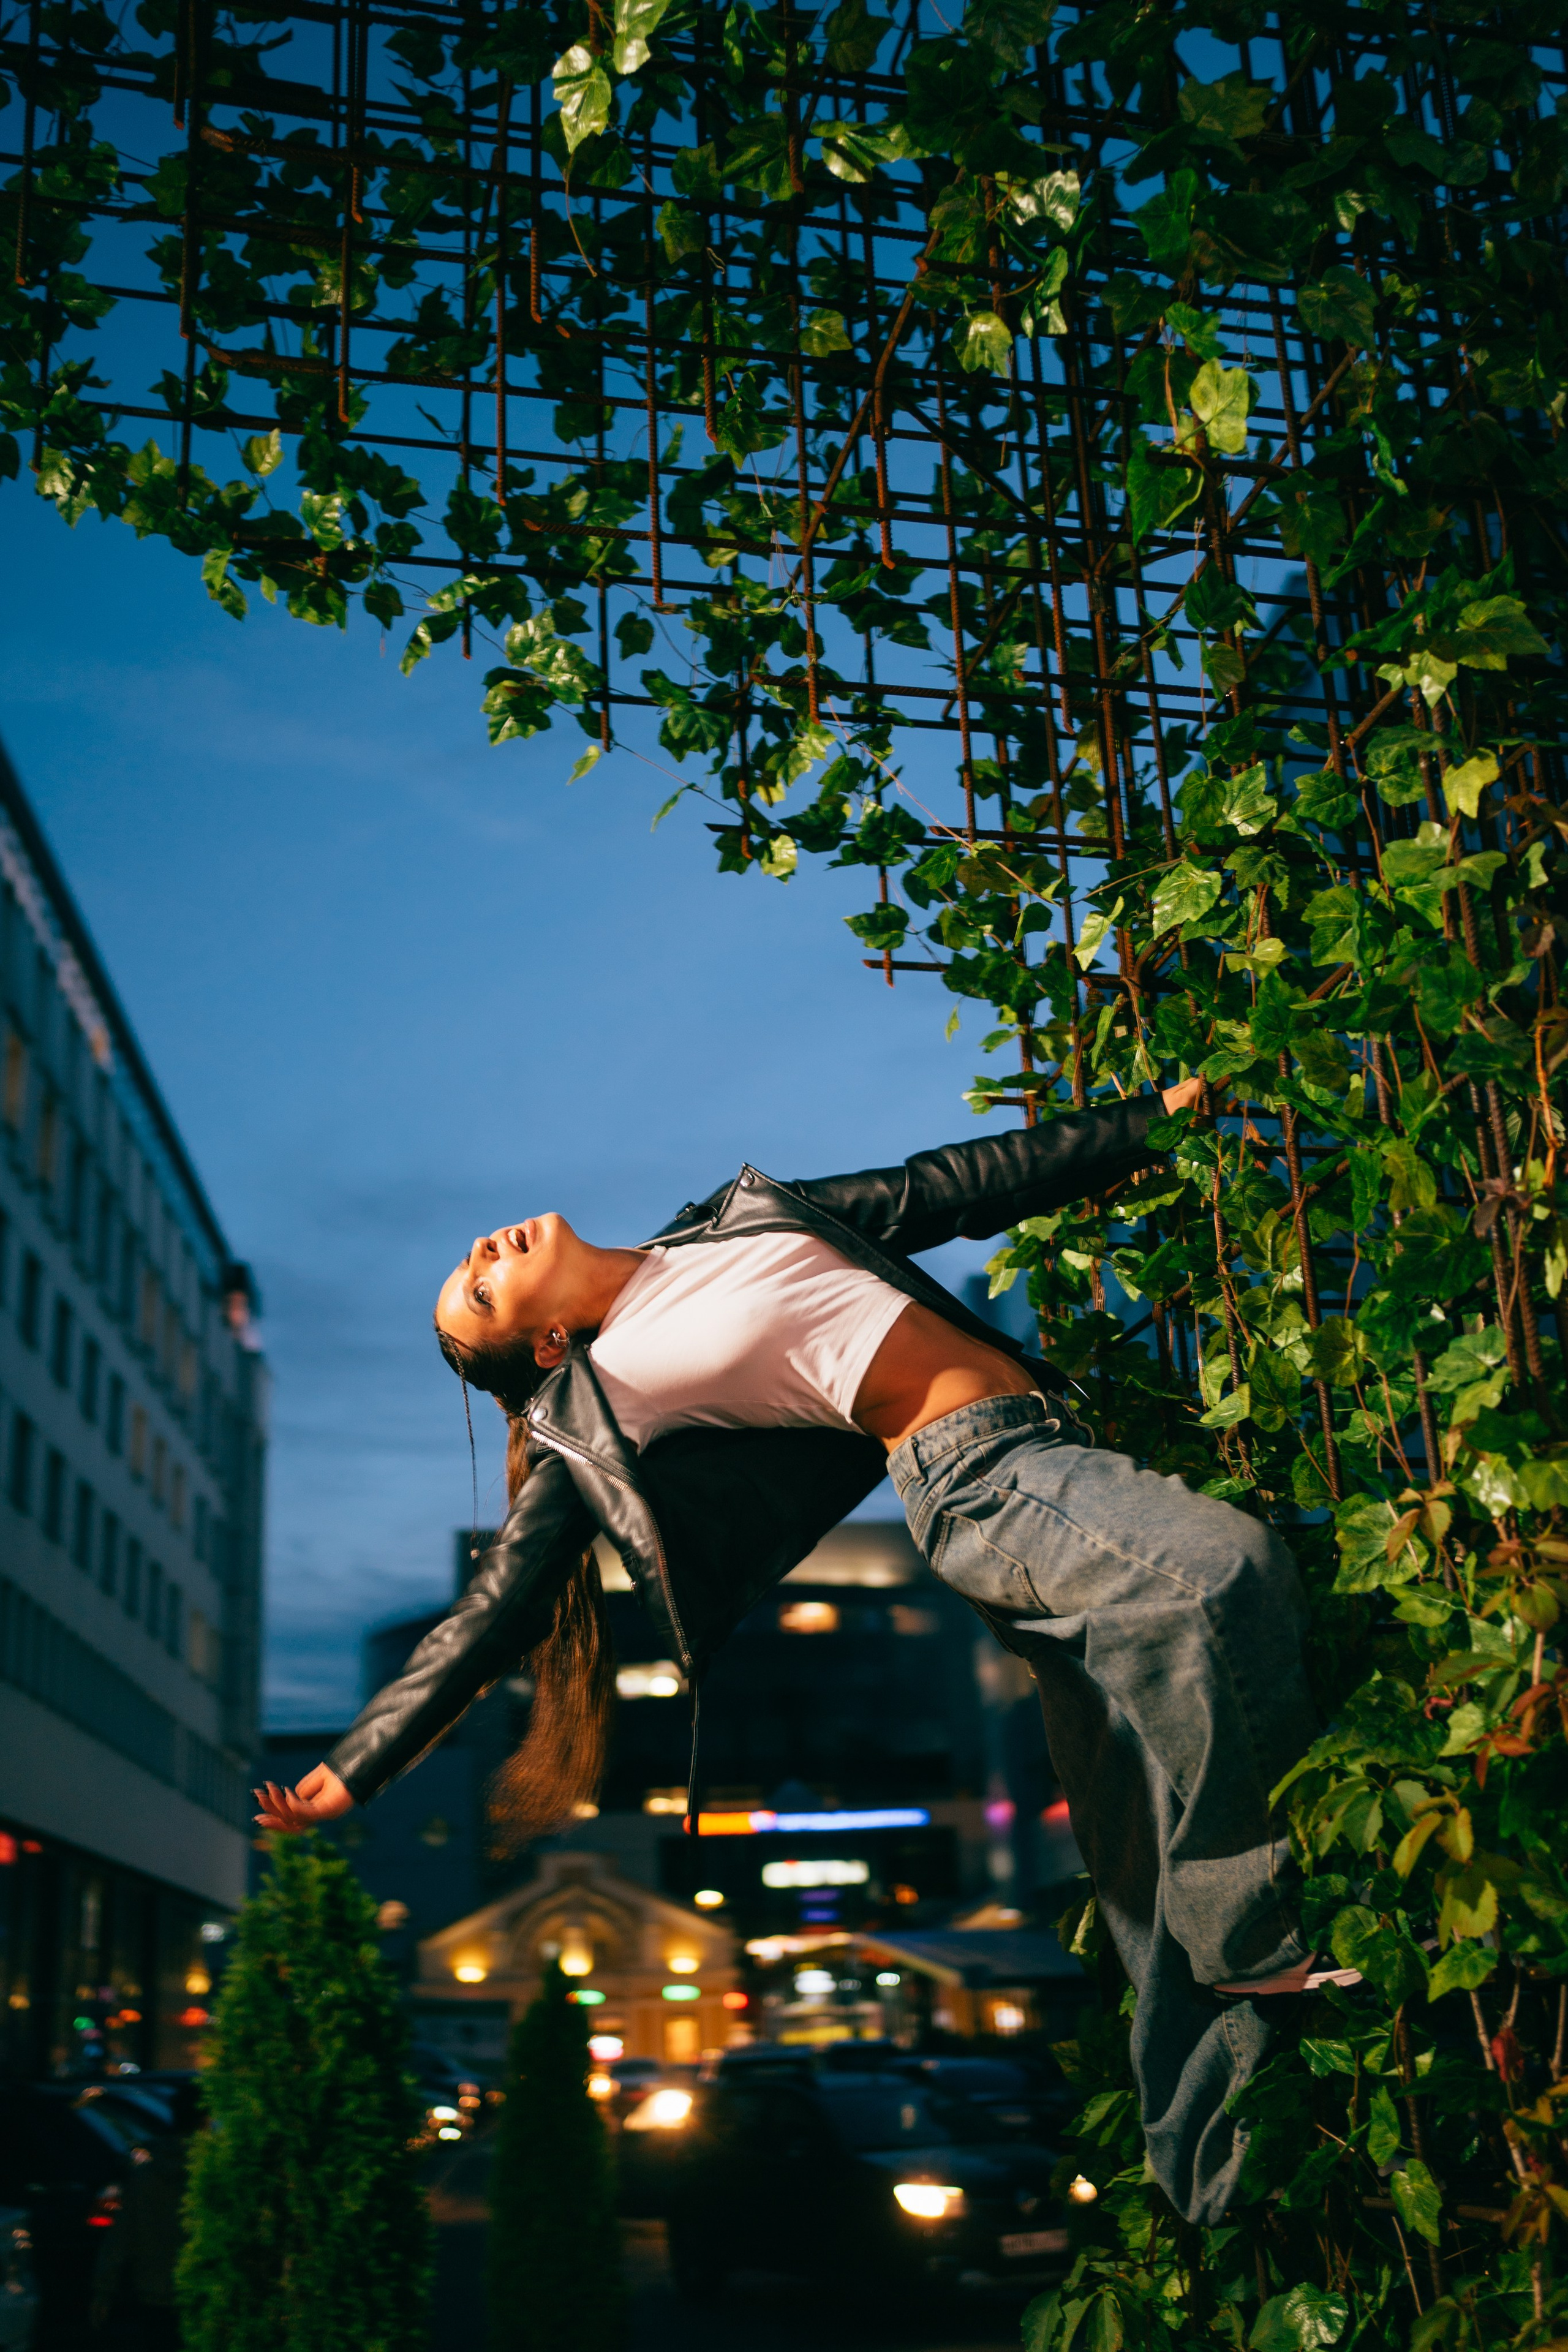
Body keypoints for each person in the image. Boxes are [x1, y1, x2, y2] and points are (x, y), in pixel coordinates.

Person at [255, 1084, 1321, 2222]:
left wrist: (1155, 1115)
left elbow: (953, 1186)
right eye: (482, 1292)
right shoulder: (606, 1397)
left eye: (470, 1268)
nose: (482, 1251)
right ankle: (1249, 1938)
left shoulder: (735, 1217)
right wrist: (358, 1763)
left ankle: (1218, 2187)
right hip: (982, 1488)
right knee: (1219, 1578)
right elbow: (499, 1603)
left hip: (1046, 1444)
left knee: (1135, 1838)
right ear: (549, 1344)